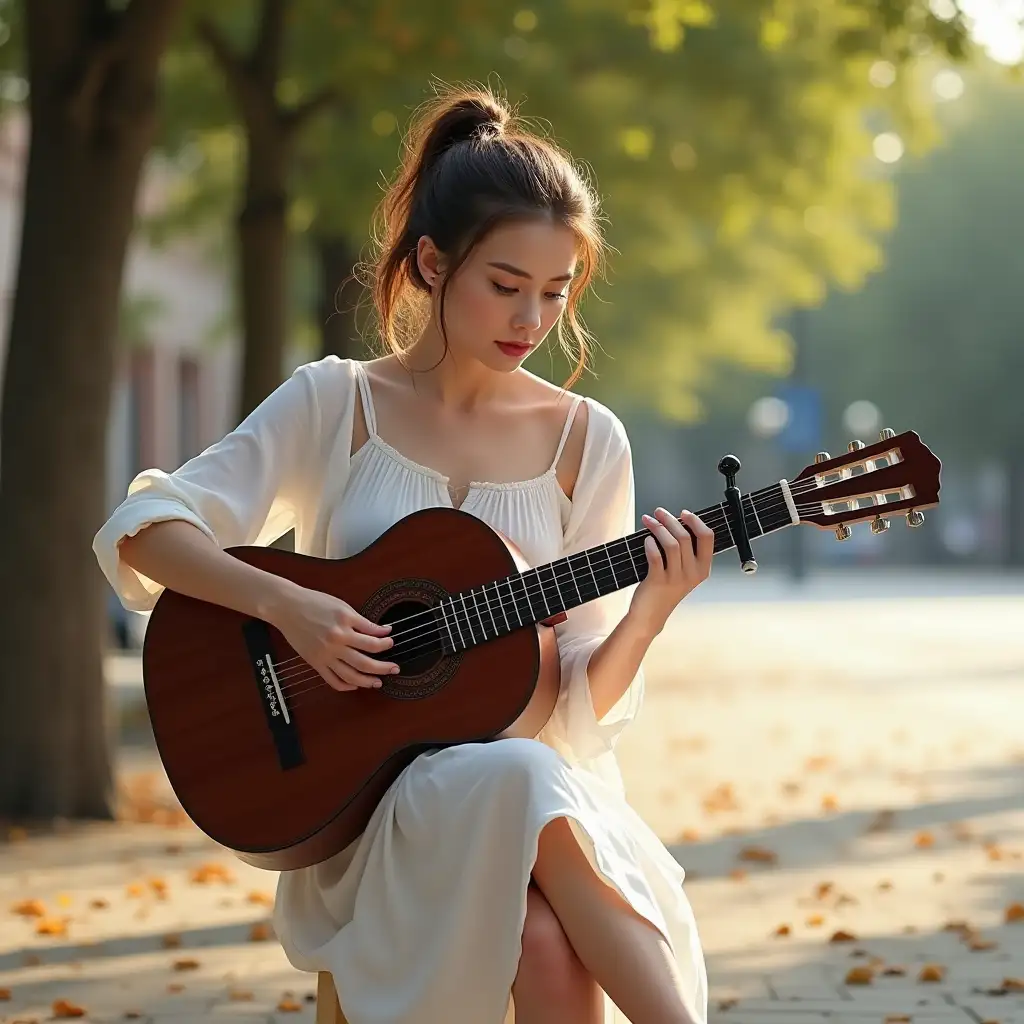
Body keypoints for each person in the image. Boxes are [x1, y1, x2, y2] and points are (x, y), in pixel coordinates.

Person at [93, 84, 715, 1024]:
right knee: (516, 778)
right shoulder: (335, 404)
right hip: (368, 805)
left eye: (555, 292)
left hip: (541, 806)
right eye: (505, 285)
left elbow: (575, 710)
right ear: (432, 261)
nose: (531, 318)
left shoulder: (590, 442)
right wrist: (287, 606)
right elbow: (147, 531)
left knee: (542, 913)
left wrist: (651, 610)